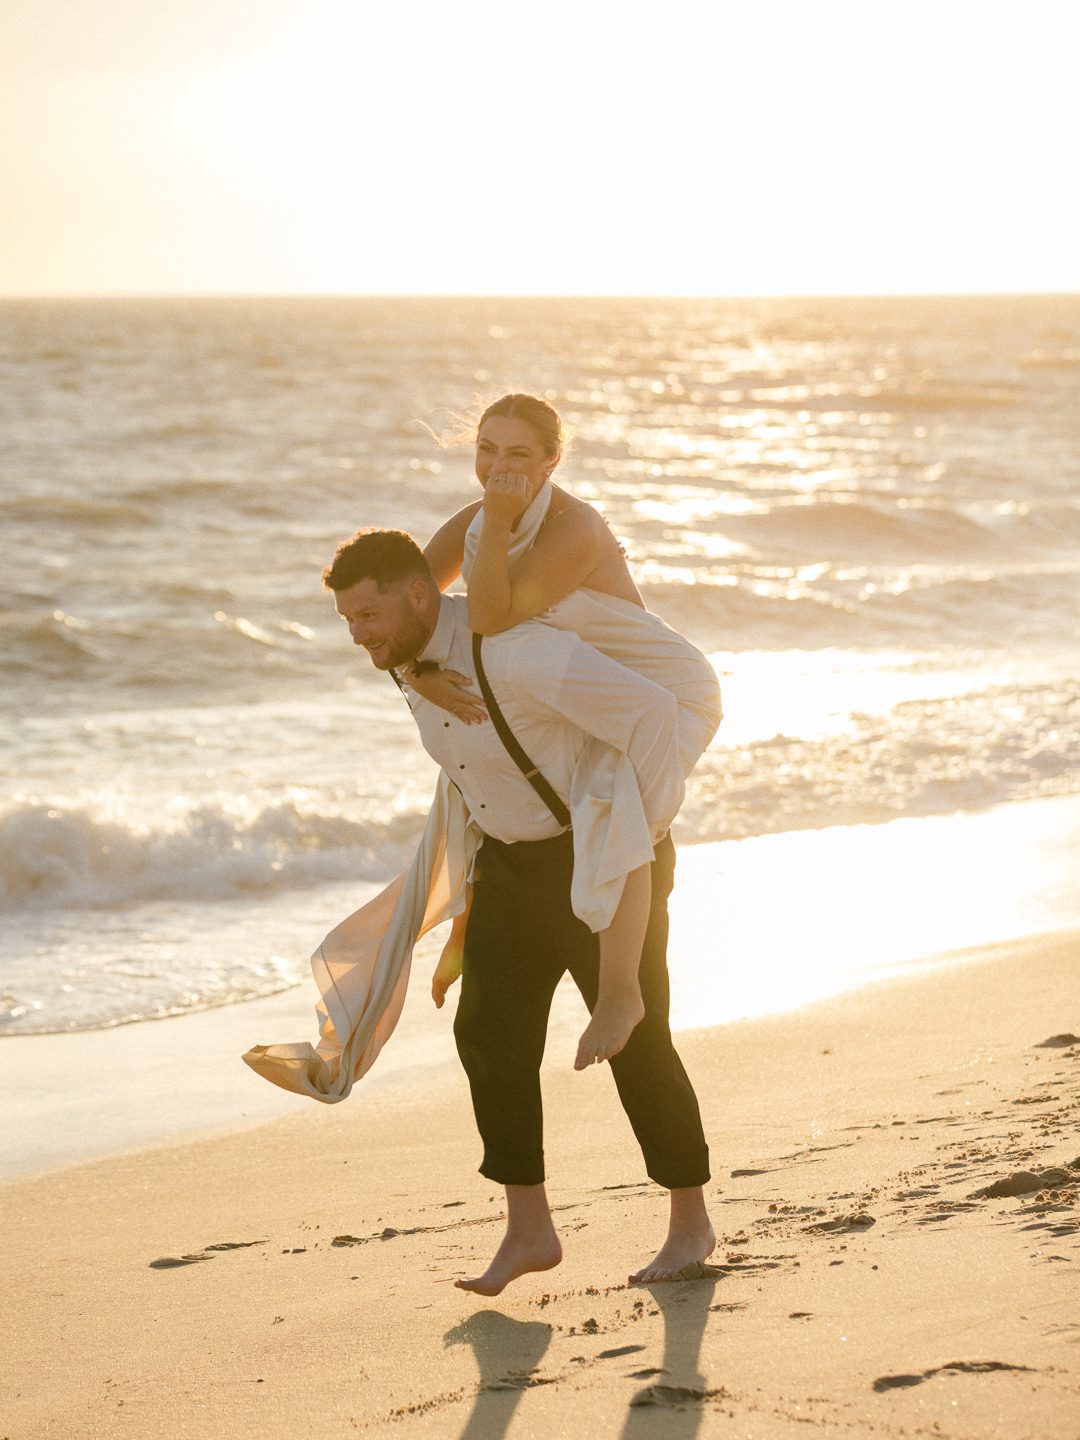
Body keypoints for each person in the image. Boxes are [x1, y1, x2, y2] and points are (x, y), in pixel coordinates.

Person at [323, 528, 715, 1294]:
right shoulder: (406, 657)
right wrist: (463, 919)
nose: (358, 635)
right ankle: (530, 1229)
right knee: (487, 1036)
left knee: (637, 1038)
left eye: (368, 615)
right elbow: (468, 777)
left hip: (596, 857)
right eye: (347, 621)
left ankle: (690, 1219)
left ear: (418, 594)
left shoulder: (518, 651)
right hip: (507, 866)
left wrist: (641, 826)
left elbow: (652, 713)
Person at [402, 394, 721, 1072]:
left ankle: (619, 995)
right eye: (486, 449)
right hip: (579, 696)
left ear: (553, 458)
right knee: (485, 780)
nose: (497, 466)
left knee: (616, 805)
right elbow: (412, 606)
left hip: (663, 697)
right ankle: (469, 929)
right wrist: (417, 669)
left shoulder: (575, 528)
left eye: (518, 454)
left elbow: (487, 616)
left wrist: (495, 518)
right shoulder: (475, 518)